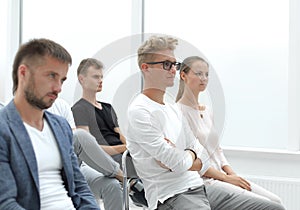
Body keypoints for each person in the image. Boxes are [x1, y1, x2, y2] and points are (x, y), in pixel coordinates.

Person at [0, 38, 100, 209]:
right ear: (23, 73)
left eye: (62, 80)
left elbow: (80, 187)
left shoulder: (60, 126)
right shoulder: (4, 129)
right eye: (52, 76)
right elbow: (6, 202)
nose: (58, 88)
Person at [176, 56, 285, 209]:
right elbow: (190, 158)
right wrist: (225, 178)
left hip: (223, 175)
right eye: (199, 73)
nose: (204, 78)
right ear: (183, 75)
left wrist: (232, 175)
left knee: (275, 200)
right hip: (206, 180)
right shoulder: (177, 112)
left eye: (207, 74)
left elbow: (217, 151)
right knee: (268, 206)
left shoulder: (207, 111)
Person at [126, 35, 211, 210]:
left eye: (175, 64)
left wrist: (186, 154)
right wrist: (189, 155)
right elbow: (177, 163)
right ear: (146, 68)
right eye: (166, 64)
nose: (173, 70)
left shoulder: (173, 108)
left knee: (270, 206)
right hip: (171, 196)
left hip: (199, 186)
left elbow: (204, 156)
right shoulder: (140, 111)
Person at [71, 58, 147, 207]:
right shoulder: (79, 109)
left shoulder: (108, 108)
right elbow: (88, 149)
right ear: (82, 79)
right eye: (95, 77)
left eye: (101, 77)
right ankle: (132, 184)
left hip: (124, 156)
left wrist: (131, 147)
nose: (100, 80)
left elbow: (120, 136)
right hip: (103, 160)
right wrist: (123, 148)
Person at [48, 97, 123, 210]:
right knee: (79, 136)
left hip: (74, 165)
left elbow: (70, 139)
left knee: (112, 186)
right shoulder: (21, 111)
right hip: (50, 168)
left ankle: (122, 177)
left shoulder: (61, 104)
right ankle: (123, 177)